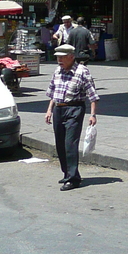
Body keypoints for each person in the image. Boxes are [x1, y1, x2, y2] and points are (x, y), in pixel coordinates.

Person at [44, 43, 98, 191]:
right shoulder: (57, 71)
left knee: (70, 144)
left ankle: (73, 179)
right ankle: (67, 173)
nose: (59, 60)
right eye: (58, 58)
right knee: (60, 144)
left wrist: (93, 114)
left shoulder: (82, 71)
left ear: (71, 57)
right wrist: (49, 110)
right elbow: (53, 93)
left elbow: (92, 95)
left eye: (62, 57)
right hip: (58, 109)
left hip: (75, 109)